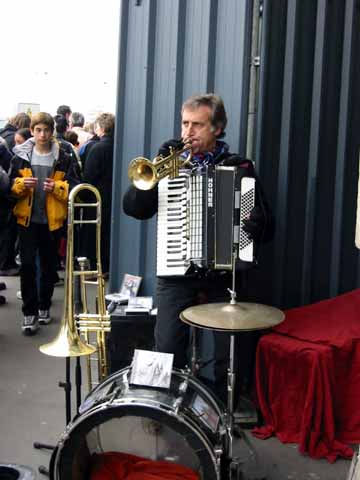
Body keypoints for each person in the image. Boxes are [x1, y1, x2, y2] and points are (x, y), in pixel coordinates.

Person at [123, 94, 274, 402]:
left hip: (222, 275)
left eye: (197, 125)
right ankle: (166, 407)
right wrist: (155, 168)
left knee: (228, 352)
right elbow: (134, 209)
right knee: (166, 346)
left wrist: (256, 223)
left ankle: (223, 408)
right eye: (184, 123)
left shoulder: (239, 167)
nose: (187, 133)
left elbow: (268, 227)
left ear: (217, 128)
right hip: (176, 271)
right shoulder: (167, 165)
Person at [9, 112, 80, 335]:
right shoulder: (19, 156)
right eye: (38, 130)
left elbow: (76, 186)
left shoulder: (64, 156)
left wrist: (57, 188)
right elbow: (9, 186)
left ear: (52, 132)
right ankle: (29, 313)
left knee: (48, 267)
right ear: (32, 131)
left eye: (46, 130)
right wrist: (20, 184)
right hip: (27, 219)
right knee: (27, 265)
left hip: (52, 220)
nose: (42, 134)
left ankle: (44, 306)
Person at [82, 113, 115, 275]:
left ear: (100, 128)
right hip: (114, 195)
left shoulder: (96, 148)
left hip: (98, 196)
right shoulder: (119, 145)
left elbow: (88, 176)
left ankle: (98, 266)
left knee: (97, 233)